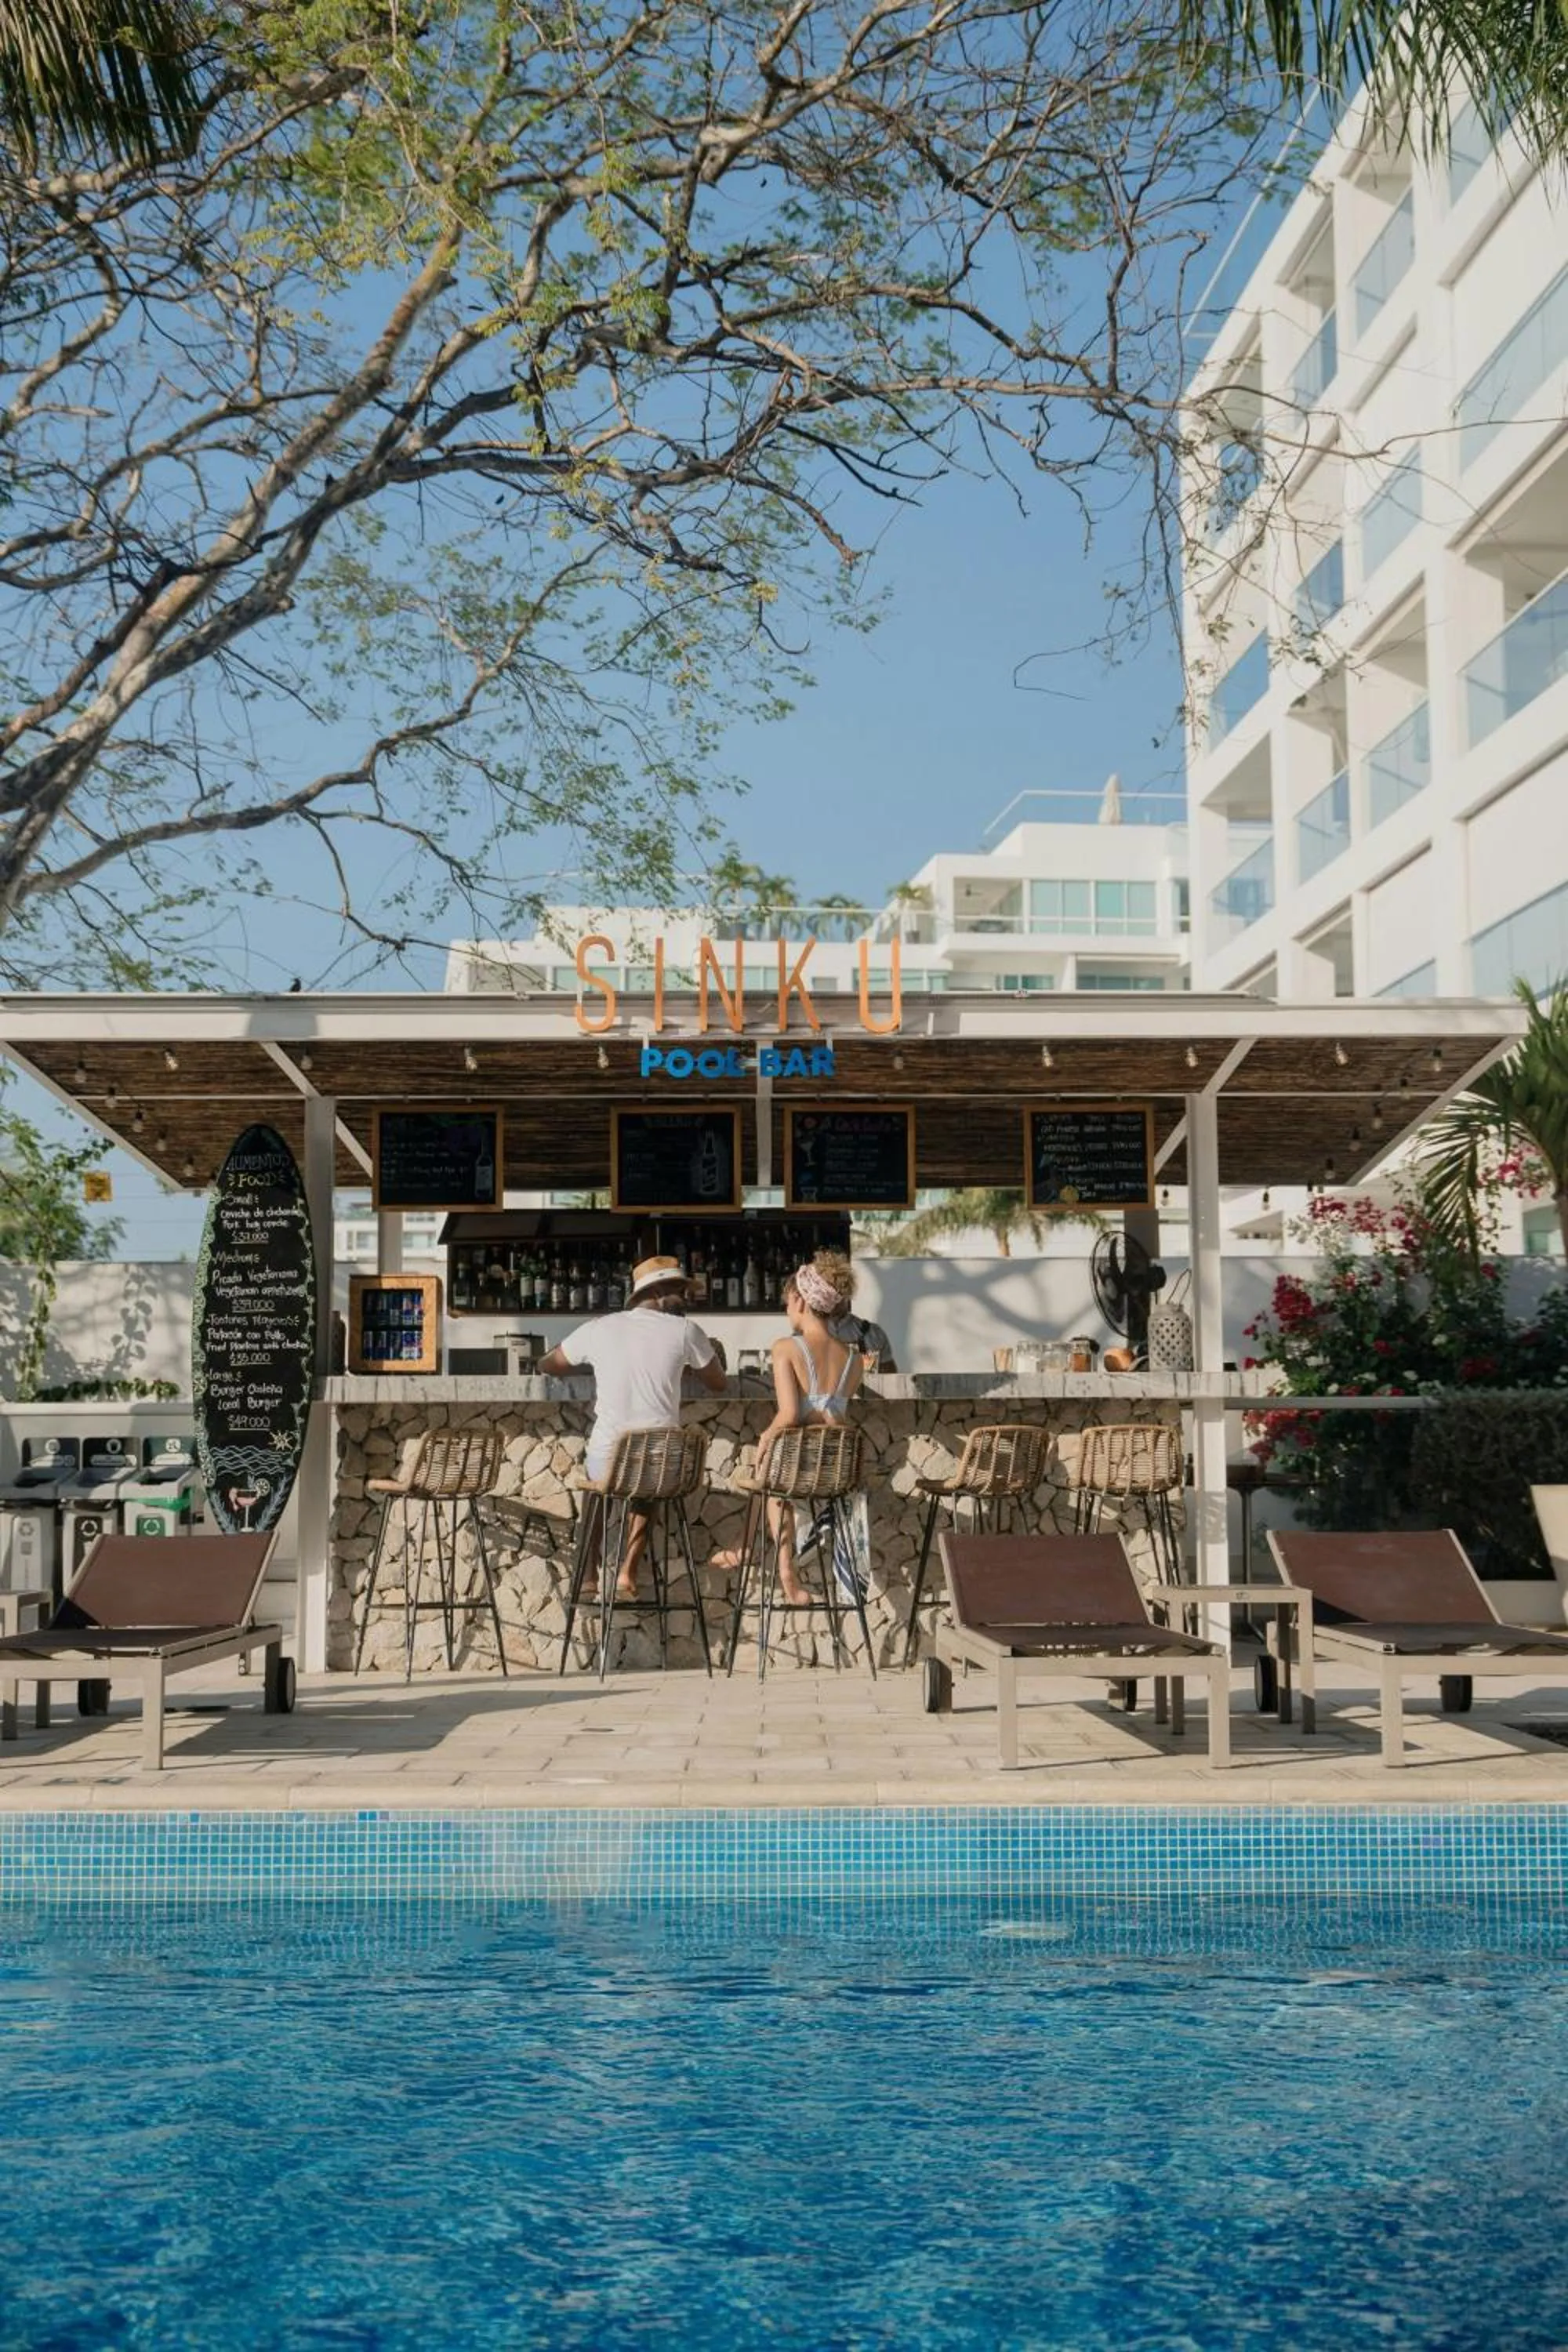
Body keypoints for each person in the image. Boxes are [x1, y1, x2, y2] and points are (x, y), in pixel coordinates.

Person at [539, 1254, 727, 1599]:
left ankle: (587, 1576)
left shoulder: (599, 1328)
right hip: (662, 1464)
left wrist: (596, 1363)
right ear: (660, 1291)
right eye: (681, 1290)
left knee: (600, 1482)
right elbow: (718, 1382)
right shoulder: (687, 1331)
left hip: (610, 1458)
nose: (686, 1298)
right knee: (650, 1473)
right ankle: (629, 1569)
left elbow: (549, 1364)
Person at [716, 1253, 864, 1606]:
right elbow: (832, 1414)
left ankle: (783, 1571)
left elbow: (789, 1414)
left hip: (794, 1469)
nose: (786, 1310)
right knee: (770, 1474)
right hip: (833, 1470)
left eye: (786, 1303)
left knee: (769, 1470)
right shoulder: (854, 1358)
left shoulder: (786, 1348)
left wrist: (766, 1436)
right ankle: (745, 1545)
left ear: (799, 1300)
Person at [819, 1247, 898, 1373]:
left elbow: (890, 1379)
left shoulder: (872, 1334)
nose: (833, 1297)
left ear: (847, 1291)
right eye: (826, 1290)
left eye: (838, 1289)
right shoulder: (803, 1336)